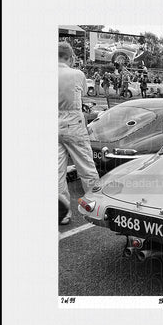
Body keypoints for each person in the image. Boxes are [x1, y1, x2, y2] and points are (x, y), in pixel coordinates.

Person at [58, 42, 99, 225]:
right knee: (86, 167)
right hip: (73, 122)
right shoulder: (77, 74)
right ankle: (95, 206)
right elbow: (80, 96)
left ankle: (63, 213)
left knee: (57, 172)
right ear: (70, 57)